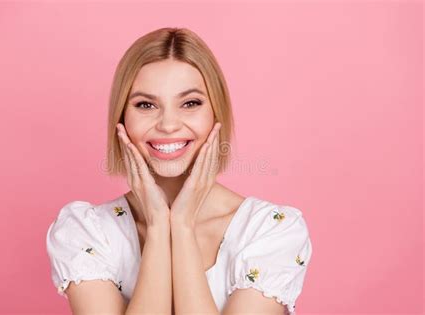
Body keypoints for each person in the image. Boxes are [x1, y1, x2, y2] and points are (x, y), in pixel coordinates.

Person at [46, 27, 313, 315]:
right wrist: (160, 225)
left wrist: (182, 226)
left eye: (190, 103)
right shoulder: (86, 233)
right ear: (122, 118)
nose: (169, 124)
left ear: (216, 115)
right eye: (146, 105)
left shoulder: (271, 230)